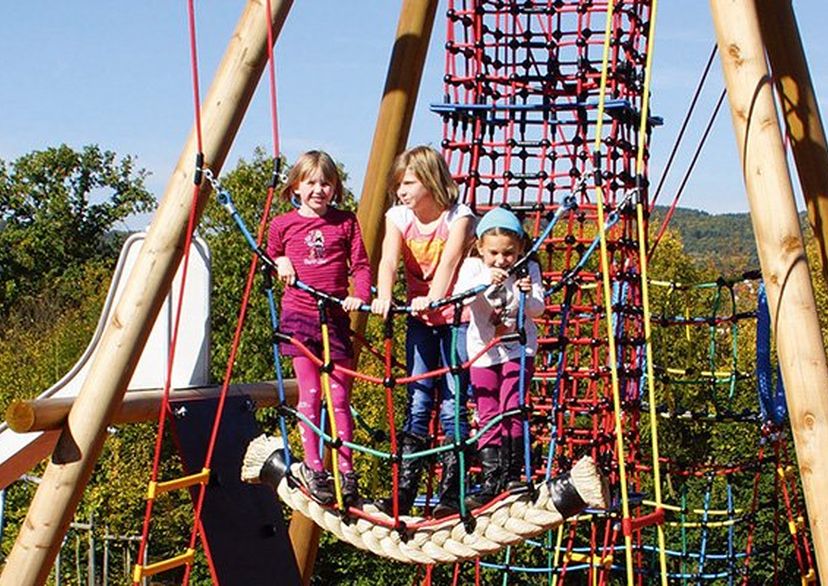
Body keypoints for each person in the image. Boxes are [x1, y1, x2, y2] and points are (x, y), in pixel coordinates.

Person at [371, 146, 475, 518]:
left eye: (409, 183)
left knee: (451, 403)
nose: (402, 190)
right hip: (420, 320)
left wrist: (433, 298)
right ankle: (404, 492)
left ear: (431, 181)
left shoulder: (457, 216)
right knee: (417, 400)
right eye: (399, 183)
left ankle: (452, 493)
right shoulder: (398, 217)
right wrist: (384, 296)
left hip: (455, 319)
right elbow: (388, 260)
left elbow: (448, 260)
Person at [267, 150, 371, 508]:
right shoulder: (284, 224)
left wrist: (361, 294)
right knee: (310, 395)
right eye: (311, 182)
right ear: (296, 185)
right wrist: (280, 260)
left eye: (326, 182)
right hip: (299, 317)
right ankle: (315, 467)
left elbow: (359, 264)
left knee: (340, 398)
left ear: (335, 187)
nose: (318, 189)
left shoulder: (346, 222)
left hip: (335, 318)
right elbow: (268, 260)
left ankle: (346, 468)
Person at [453, 207, 545, 509]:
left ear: (519, 248)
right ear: (480, 247)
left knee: (511, 406)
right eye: (493, 253)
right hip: (483, 349)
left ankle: (513, 474)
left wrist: (526, 294)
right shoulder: (472, 267)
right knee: (487, 409)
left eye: (508, 253)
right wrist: (485, 281)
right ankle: (491, 476)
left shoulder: (527, 267)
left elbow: (537, 309)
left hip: (518, 348)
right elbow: (462, 298)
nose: (501, 260)